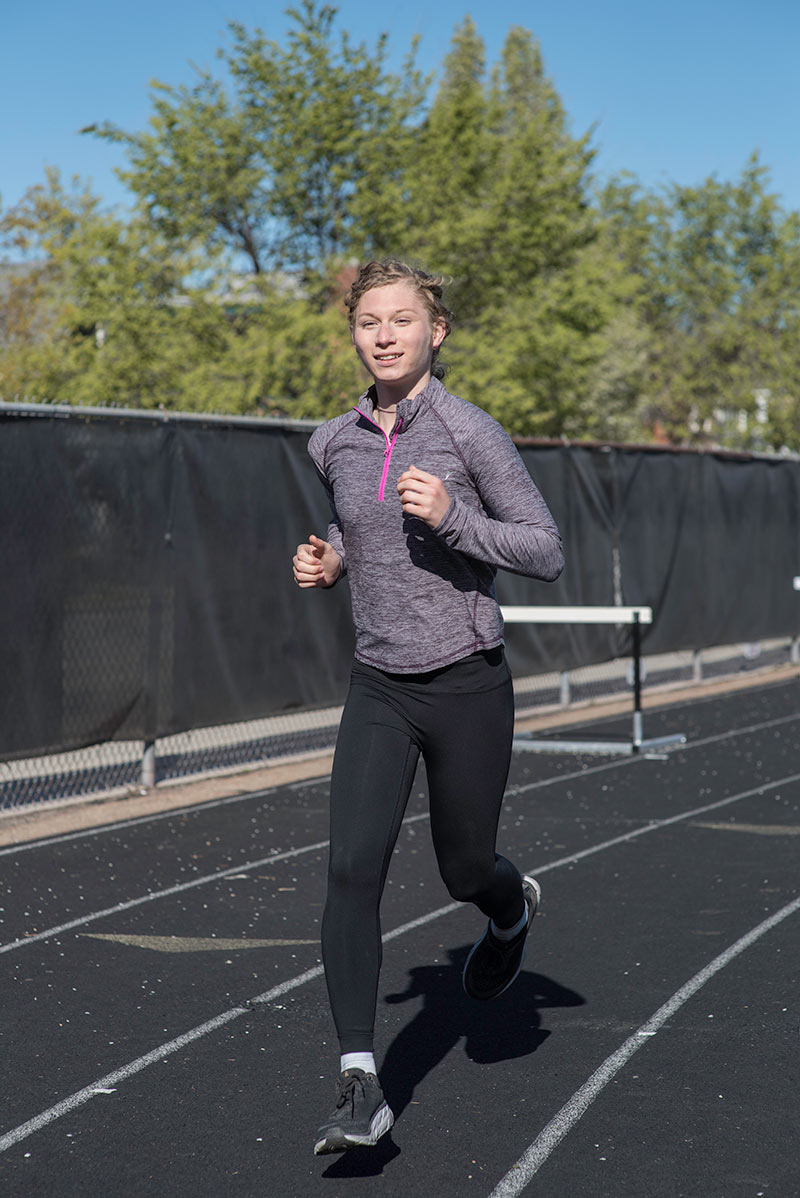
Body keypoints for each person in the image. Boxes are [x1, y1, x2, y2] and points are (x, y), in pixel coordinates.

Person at [292, 258, 563, 1156]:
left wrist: (451, 517)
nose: (384, 334)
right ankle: (360, 1083)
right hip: (379, 684)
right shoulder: (331, 440)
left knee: (463, 866)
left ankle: (508, 907)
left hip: (466, 681)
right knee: (349, 872)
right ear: (354, 335)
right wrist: (333, 559)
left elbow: (544, 549)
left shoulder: (469, 432)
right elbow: (355, 520)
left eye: (402, 320)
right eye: (369, 321)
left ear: (434, 331)